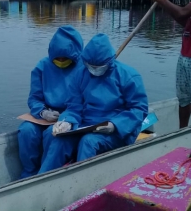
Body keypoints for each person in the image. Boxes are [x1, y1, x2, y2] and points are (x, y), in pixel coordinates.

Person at [38, 33, 148, 174]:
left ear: (109, 61)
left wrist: (115, 125)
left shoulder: (129, 76)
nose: (95, 69)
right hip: (85, 124)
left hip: (116, 130)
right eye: (91, 65)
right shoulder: (81, 74)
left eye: (99, 66)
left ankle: (82, 184)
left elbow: (139, 108)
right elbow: (74, 106)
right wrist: (67, 121)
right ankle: (44, 178)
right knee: (54, 135)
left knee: (88, 142)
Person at [18, 25, 84, 178]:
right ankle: (28, 173)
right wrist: (42, 111)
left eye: (65, 59)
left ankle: (44, 175)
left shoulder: (83, 69)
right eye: (57, 58)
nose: (61, 61)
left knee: (52, 134)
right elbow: (34, 98)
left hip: (71, 117)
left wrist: (67, 119)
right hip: (45, 115)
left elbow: (82, 102)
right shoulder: (42, 67)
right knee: (26, 131)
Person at [148, 0, 191, 128]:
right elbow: (184, 20)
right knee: (184, 99)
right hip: (185, 57)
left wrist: (162, 0)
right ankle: (181, 132)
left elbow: (181, 13)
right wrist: (164, 4)